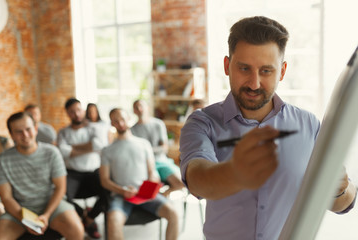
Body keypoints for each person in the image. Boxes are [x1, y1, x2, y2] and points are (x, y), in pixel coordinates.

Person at [179, 16, 357, 240]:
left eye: (266, 71)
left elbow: (343, 204)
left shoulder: (309, 125)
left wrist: (340, 187)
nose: (254, 83)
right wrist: (235, 173)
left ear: (282, 71)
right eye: (244, 68)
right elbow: (197, 180)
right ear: (227, 66)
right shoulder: (201, 122)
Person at [0, 112, 84, 239]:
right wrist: (25, 220)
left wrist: (47, 215)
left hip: (52, 206)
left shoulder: (52, 153)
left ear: (36, 129)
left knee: (77, 230)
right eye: (18, 132)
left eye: (28, 129)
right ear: (11, 135)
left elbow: (60, 188)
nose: (25, 135)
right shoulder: (2, 160)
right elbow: (6, 197)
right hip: (19, 210)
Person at [100, 108, 179, 240]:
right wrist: (122, 190)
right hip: (121, 196)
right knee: (113, 220)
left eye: (122, 119)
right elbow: (104, 180)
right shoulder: (107, 150)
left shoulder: (144, 144)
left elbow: (152, 172)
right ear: (112, 124)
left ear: (129, 119)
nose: (120, 123)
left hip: (144, 194)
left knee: (174, 213)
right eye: (115, 121)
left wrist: (153, 180)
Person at [57, 98, 105, 239]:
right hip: (72, 173)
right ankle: (82, 215)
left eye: (78, 110)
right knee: (62, 197)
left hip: (93, 172)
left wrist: (73, 148)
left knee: (108, 194)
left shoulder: (94, 127)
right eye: (72, 112)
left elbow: (97, 146)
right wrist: (87, 147)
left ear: (82, 110)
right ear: (67, 113)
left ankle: (89, 220)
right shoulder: (63, 132)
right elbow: (63, 151)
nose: (76, 114)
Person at [132, 99, 185, 197]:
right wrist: (155, 149)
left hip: (162, 161)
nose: (139, 109)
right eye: (136, 107)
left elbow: (164, 148)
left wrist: (147, 150)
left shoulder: (158, 124)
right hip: (145, 165)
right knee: (150, 189)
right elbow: (137, 152)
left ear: (147, 108)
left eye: (141, 106)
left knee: (181, 183)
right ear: (134, 111)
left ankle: (162, 196)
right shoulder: (132, 130)